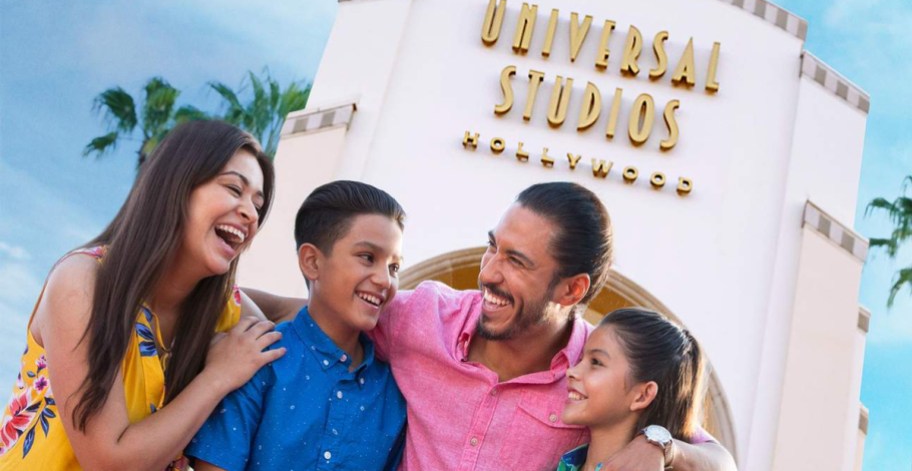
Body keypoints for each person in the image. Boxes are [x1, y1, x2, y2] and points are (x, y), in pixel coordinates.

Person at [250, 181, 736, 471]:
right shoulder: (421, 318)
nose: (488, 273)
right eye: (492, 247)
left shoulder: (596, 377)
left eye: (517, 262)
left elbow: (721, 460)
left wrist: (662, 447)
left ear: (571, 290)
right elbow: (308, 312)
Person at [0, 120, 285, 470]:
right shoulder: (82, 282)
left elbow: (314, 325)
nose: (250, 213)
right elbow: (109, 461)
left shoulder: (222, 309)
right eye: (233, 189)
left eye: (258, 204)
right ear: (176, 186)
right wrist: (217, 376)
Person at [186, 180, 407, 471]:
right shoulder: (255, 360)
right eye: (368, 258)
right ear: (312, 262)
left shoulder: (394, 392)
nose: (384, 280)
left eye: (394, 267)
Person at [558, 308, 707, 471]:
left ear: (642, 396)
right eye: (580, 359)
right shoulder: (568, 464)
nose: (571, 371)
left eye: (596, 362)